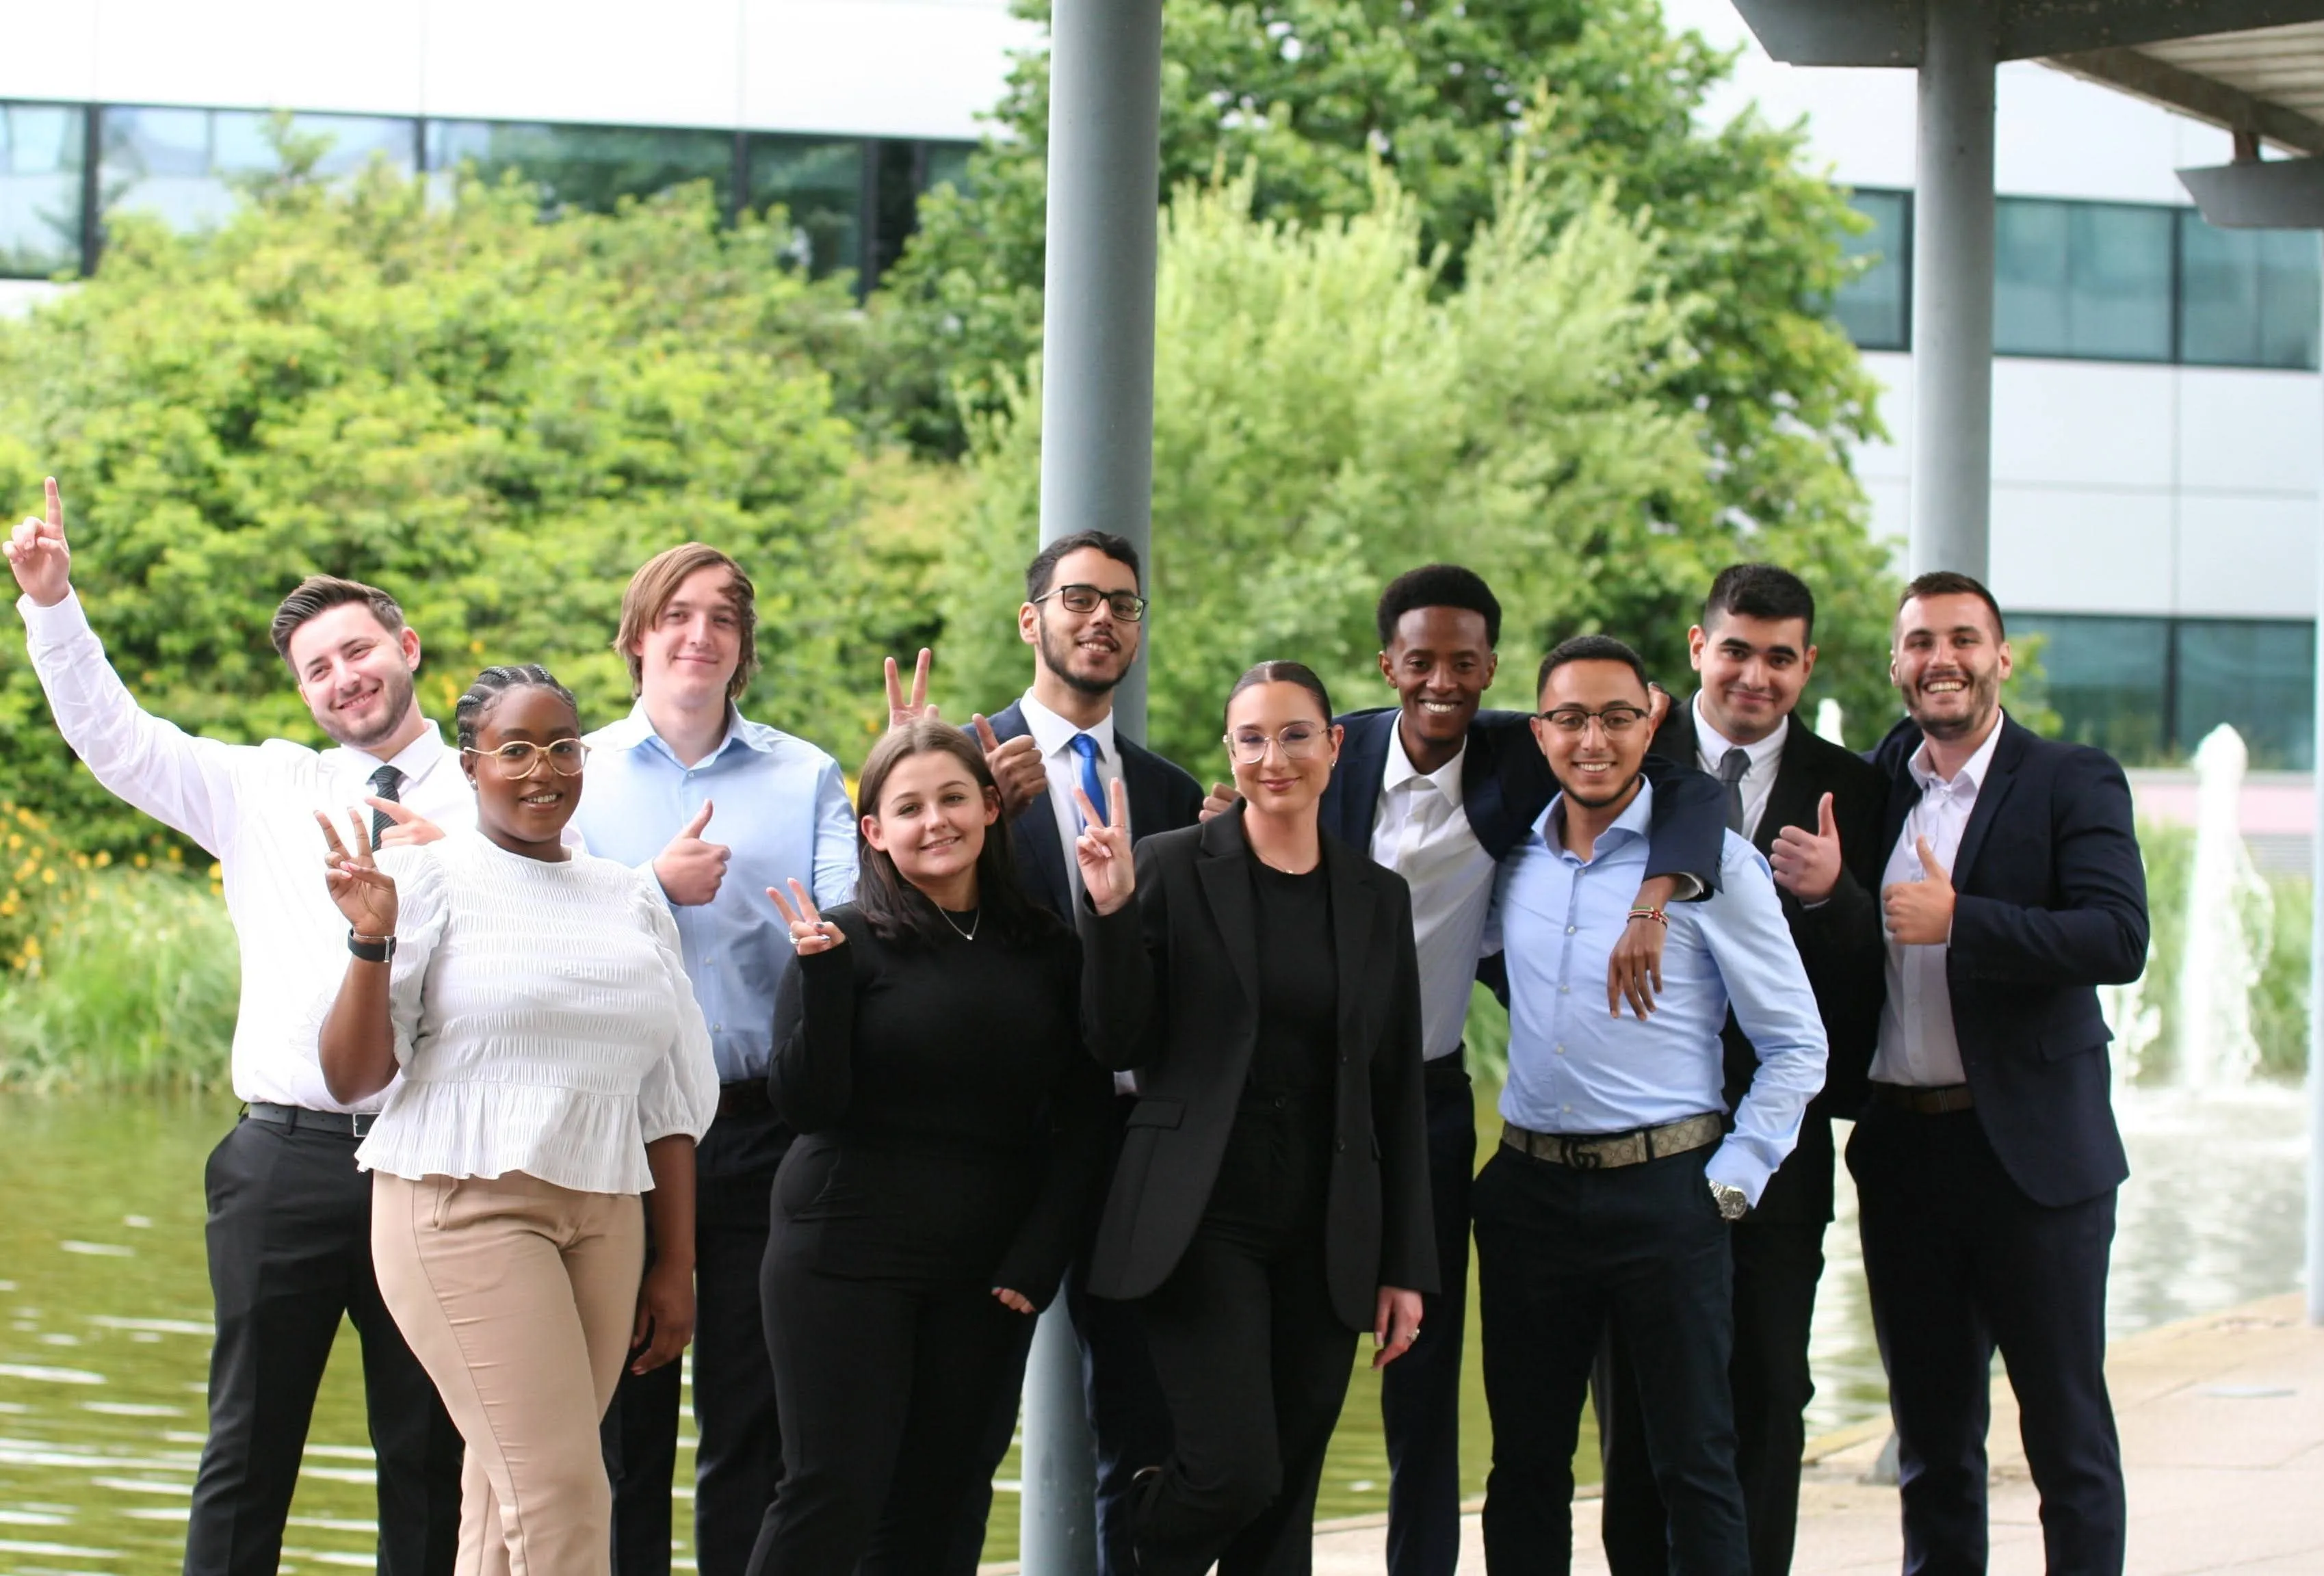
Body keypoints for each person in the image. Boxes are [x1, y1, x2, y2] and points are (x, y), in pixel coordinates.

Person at [6, 479, 465, 1576]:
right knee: (248, 1447)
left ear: (405, 646)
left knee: (430, 1452)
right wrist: (54, 606)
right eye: (318, 669)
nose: (344, 677)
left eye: (358, 651)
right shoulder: (263, 786)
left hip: (438, 1160)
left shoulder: (494, 788)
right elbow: (115, 742)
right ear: (304, 693)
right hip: (287, 1161)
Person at [1302, 564, 1727, 1576]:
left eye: (1464, 663)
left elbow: (1690, 787)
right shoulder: (1328, 751)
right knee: (1296, 1368)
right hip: (1307, 1103)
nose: (1441, 682)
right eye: (1421, 662)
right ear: (1387, 666)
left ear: (1490, 669)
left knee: (1425, 1383)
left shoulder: (1519, 753)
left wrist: (1651, 901)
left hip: (1432, 1104)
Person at [311, 663, 719, 1576]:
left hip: (605, 1215)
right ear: (471, 767)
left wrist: (677, 1264)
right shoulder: (428, 879)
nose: (544, 770)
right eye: (517, 750)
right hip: (461, 1207)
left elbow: (670, 1097)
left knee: (506, 1509)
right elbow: (352, 1077)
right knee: (563, 1496)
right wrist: (370, 940)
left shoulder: (631, 897)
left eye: (564, 747)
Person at [1474, 635, 1826, 1576]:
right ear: (1539, 731)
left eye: (1618, 716)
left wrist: (1732, 1180)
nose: (1595, 739)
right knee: (1525, 1467)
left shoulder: (1721, 870)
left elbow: (1799, 1045)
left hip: (1668, 1194)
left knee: (1693, 1466)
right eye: (1570, 718)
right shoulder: (1510, 862)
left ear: (1653, 720)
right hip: (1528, 1196)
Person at [1076, 659, 1435, 1576]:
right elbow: (1115, 1037)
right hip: (1200, 1219)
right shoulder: (1165, 865)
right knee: (1237, 1470)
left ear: (1334, 746)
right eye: (1251, 739)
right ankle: (1149, 1532)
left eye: (1293, 735)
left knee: (1286, 1497)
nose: (1273, 758)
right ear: (1229, 754)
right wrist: (1111, 913)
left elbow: (1394, 1084)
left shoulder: (1375, 898)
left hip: (1327, 1222)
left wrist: (1405, 1265)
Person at [743, 721, 1116, 1575]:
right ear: (873, 831)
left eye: (953, 798)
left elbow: (1083, 1117)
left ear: (991, 807)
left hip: (985, 1272)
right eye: (906, 808)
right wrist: (826, 984)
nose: (934, 821)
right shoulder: (837, 939)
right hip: (841, 1254)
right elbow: (805, 1106)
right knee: (833, 1489)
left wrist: (1038, 1258)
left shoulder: (1048, 947)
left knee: (945, 1500)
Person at [1853, 571, 2147, 1576]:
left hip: (2035, 1160)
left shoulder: (2071, 778)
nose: (1943, 658)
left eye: (1964, 640)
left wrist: (1962, 921)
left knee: (2067, 1436)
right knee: (1932, 1446)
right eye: (1921, 641)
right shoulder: (1878, 783)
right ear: (1895, 664)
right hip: (1903, 1154)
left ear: (2000, 658)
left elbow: (2117, 937)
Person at [1598, 564, 1887, 1576]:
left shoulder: (1855, 785)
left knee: (1766, 1385)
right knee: (1634, 1391)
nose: (1753, 676)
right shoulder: (1620, 749)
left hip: (1779, 1147)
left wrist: (1836, 896)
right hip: (1632, 1139)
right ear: (1696, 648)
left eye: (1777, 657)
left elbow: (1878, 982)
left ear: (1805, 664)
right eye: (1735, 650)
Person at [930, 527, 1205, 1576]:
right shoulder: (959, 766)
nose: (1101, 620)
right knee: (949, 1436)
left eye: (1123, 606)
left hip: (1129, 1150)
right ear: (1030, 617)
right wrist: (983, 814)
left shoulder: (1173, 797)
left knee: (1139, 1433)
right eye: (1079, 599)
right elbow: (893, 919)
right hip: (983, 1150)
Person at [579, 543, 856, 1576]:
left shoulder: (806, 774)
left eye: (723, 620)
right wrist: (649, 884)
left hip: (760, 1129)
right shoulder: (580, 771)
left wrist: (834, 942)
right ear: (638, 636)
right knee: (622, 1426)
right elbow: (539, 918)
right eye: (678, 615)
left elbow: (855, 919)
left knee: (756, 1425)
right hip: (611, 1132)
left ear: (742, 649)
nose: (700, 635)